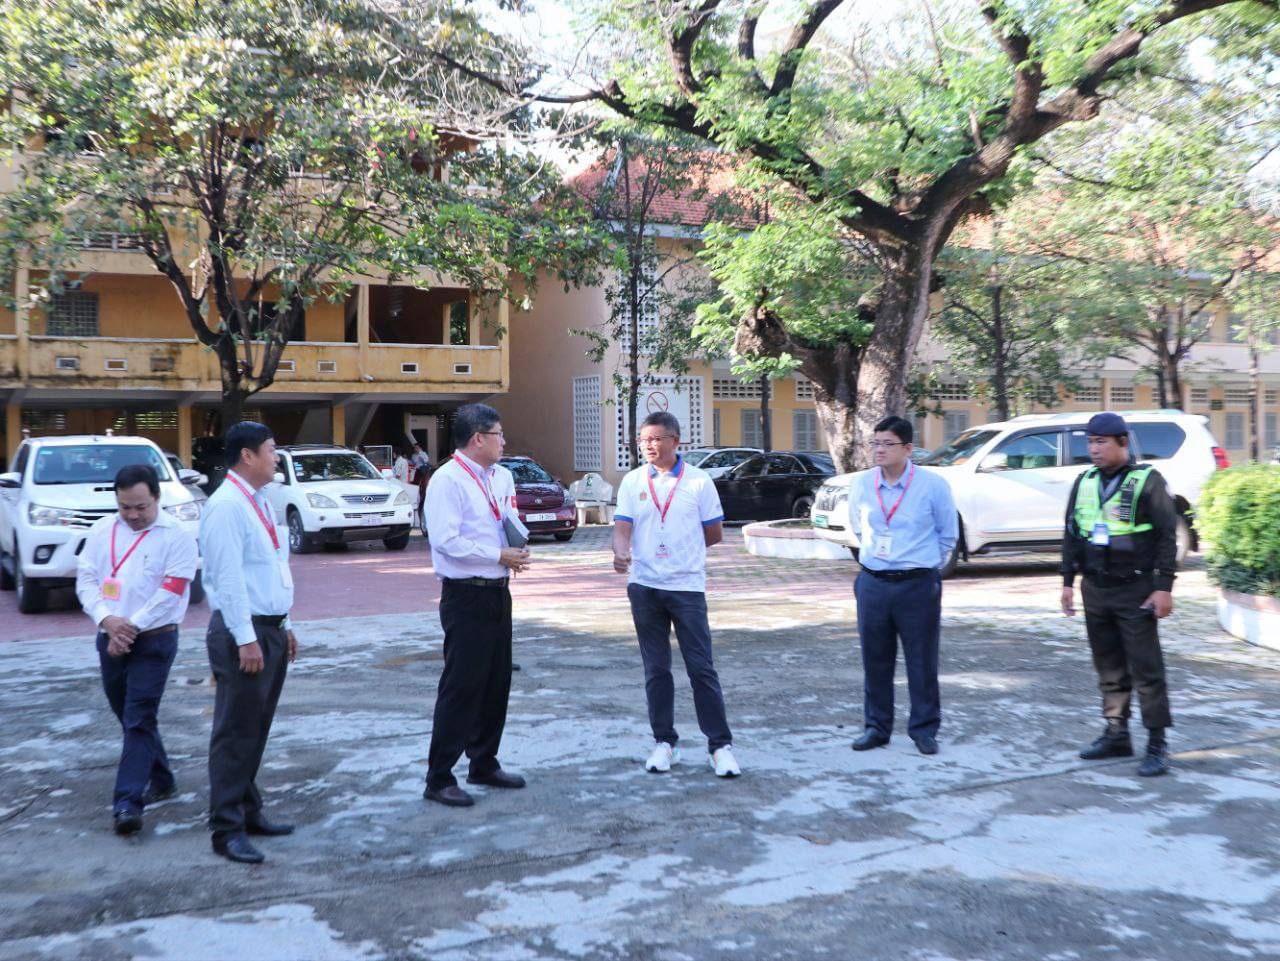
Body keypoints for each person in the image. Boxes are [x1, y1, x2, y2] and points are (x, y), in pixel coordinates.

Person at [612, 412, 740, 778]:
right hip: (645, 587)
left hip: (686, 587)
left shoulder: (699, 481)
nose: (649, 445)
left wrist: (683, 550)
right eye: (644, 440)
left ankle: (719, 746)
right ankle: (664, 743)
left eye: (656, 439)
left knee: (701, 667)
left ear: (675, 441)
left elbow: (714, 533)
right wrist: (620, 552)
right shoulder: (633, 481)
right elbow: (622, 526)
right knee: (656, 669)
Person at [76, 464, 199, 836]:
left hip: (155, 640)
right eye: (125, 507)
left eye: (141, 507)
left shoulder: (177, 536)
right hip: (110, 637)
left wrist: (129, 627)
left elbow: (171, 591)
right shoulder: (102, 530)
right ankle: (161, 777)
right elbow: (86, 579)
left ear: (157, 498)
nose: (132, 515)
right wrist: (107, 620)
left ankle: (127, 803)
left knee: (139, 716)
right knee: (127, 714)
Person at [422, 403, 530, 807]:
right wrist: (497, 554)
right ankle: (439, 777)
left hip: (498, 590)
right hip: (465, 594)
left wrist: (516, 546)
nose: (504, 441)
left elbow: (507, 518)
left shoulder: (502, 476)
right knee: (462, 685)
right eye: (498, 434)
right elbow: (445, 541)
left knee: (496, 681)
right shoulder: (447, 480)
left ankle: (483, 761)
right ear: (478, 438)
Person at [200, 422, 299, 863]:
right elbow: (228, 579)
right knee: (236, 733)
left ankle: (248, 809)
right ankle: (226, 829)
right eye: (271, 450)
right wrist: (245, 638)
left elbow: (271, 569)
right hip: (244, 632)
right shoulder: (226, 506)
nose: (276, 457)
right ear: (247, 456)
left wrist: (286, 623)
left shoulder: (257, 500)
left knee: (255, 728)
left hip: (268, 628)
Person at [1061, 412, 1178, 777]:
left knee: (1146, 669)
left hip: (1135, 590)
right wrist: (1067, 582)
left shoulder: (1148, 481)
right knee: (1109, 666)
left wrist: (1163, 588)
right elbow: (1071, 534)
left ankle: (1157, 743)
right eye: (1090, 442)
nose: (1093, 449)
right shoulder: (1084, 481)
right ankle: (1116, 734)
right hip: (1096, 588)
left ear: (1122, 443)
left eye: (1101, 442)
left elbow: (1167, 537)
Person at [847, 415, 957, 756]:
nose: (879, 450)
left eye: (888, 444)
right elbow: (857, 528)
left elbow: (947, 534)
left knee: (921, 660)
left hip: (917, 585)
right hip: (873, 583)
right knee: (875, 659)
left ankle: (924, 730)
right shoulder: (862, 484)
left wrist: (920, 564)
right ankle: (876, 727)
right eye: (875, 443)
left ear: (908, 448)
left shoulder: (933, 485)